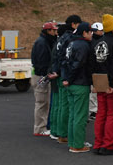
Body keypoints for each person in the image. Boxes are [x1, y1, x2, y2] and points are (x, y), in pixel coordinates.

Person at [90, 13, 113, 154]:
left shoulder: (97, 42)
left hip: (99, 80)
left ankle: (98, 143)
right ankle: (108, 145)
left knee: (101, 114)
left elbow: (92, 63)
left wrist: (94, 82)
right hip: (112, 83)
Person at [61, 21, 94, 153]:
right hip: (80, 83)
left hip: (70, 84)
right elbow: (78, 64)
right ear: (84, 32)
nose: (91, 34)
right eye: (90, 32)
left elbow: (64, 62)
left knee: (73, 114)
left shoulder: (71, 43)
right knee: (80, 116)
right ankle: (78, 145)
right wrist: (69, 78)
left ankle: (72, 142)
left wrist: (65, 79)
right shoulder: (83, 46)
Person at [47, 14, 81, 143]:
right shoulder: (69, 39)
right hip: (63, 74)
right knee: (65, 105)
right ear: (74, 24)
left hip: (57, 73)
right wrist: (61, 72)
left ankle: (55, 130)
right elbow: (65, 58)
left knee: (58, 104)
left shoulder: (60, 39)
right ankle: (63, 133)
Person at [31, 21, 59, 137]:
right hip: (41, 76)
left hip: (41, 75)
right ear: (48, 31)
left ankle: (42, 126)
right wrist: (45, 76)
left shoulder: (44, 41)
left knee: (44, 102)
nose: (56, 33)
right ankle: (39, 128)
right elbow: (41, 62)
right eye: (54, 30)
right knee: (41, 102)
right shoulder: (42, 43)